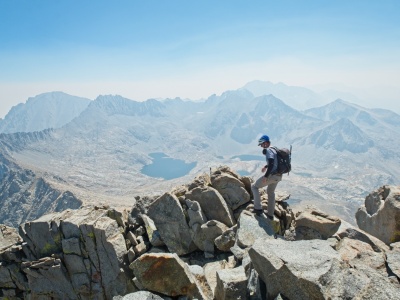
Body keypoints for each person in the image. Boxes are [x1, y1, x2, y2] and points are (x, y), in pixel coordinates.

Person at [251, 134, 282, 219]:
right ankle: (270, 214)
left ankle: (258, 209)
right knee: (270, 192)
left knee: (254, 187)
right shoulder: (275, 149)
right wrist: (266, 166)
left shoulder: (268, 150)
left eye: (262, 144)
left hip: (272, 176)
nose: (261, 146)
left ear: (266, 143)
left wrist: (265, 176)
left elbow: (272, 162)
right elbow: (275, 163)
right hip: (278, 176)